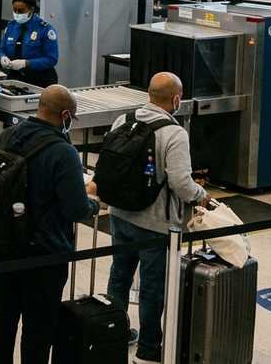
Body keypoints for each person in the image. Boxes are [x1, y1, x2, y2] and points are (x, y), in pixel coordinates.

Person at [0, 85, 98, 364]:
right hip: (45, 252)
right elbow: (75, 209)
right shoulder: (63, 152)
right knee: (38, 325)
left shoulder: (4, 137)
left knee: (3, 314)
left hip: (3, 244)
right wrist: (93, 201)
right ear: (64, 116)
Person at [104, 72, 209, 364]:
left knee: (119, 277)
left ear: (149, 94)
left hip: (120, 215)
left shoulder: (123, 121)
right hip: (155, 225)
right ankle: (149, 349)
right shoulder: (174, 133)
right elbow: (181, 183)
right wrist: (202, 195)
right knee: (152, 289)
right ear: (176, 99)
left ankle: (115, 333)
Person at [0, 0, 59, 87]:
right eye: (15, 10)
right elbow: (2, 49)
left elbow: (51, 59)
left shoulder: (44, 29)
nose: (17, 13)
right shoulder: (11, 26)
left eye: (21, 11)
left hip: (40, 79)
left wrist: (26, 63)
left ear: (31, 10)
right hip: (15, 77)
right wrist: (2, 57)